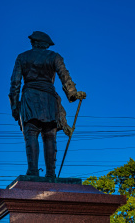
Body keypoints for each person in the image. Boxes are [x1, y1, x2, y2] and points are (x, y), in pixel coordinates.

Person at [9, 31, 86, 178]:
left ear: (34, 43)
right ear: (43, 44)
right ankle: (51, 172)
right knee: (50, 135)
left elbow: (15, 83)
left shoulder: (22, 57)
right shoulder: (54, 56)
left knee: (31, 133)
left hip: (30, 97)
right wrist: (73, 93)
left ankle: (32, 170)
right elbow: (65, 76)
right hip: (48, 99)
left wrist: (14, 106)